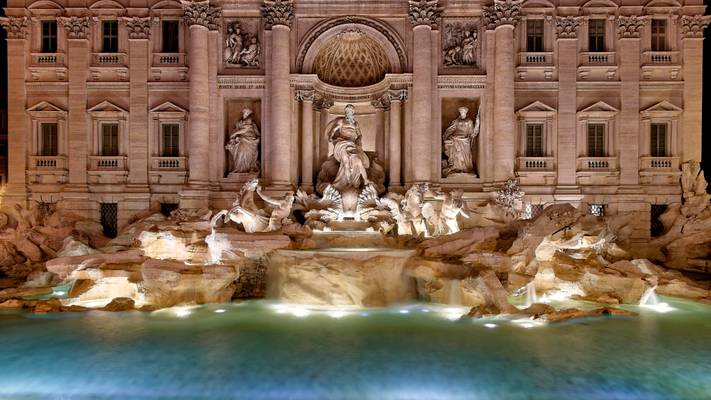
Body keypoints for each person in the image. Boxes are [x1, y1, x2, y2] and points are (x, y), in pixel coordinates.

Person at [226, 108, 260, 173]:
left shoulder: (251, 122)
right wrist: (234, 136)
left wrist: (235, 134)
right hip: (241, 140)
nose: (245, 114)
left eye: (247, 113)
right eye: (244, 112)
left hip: (250, 140)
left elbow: (245, 130)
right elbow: (236, 129)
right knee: (240, 153)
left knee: (248, 154)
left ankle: (250, 167)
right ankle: (239, 168)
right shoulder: (239, 122)